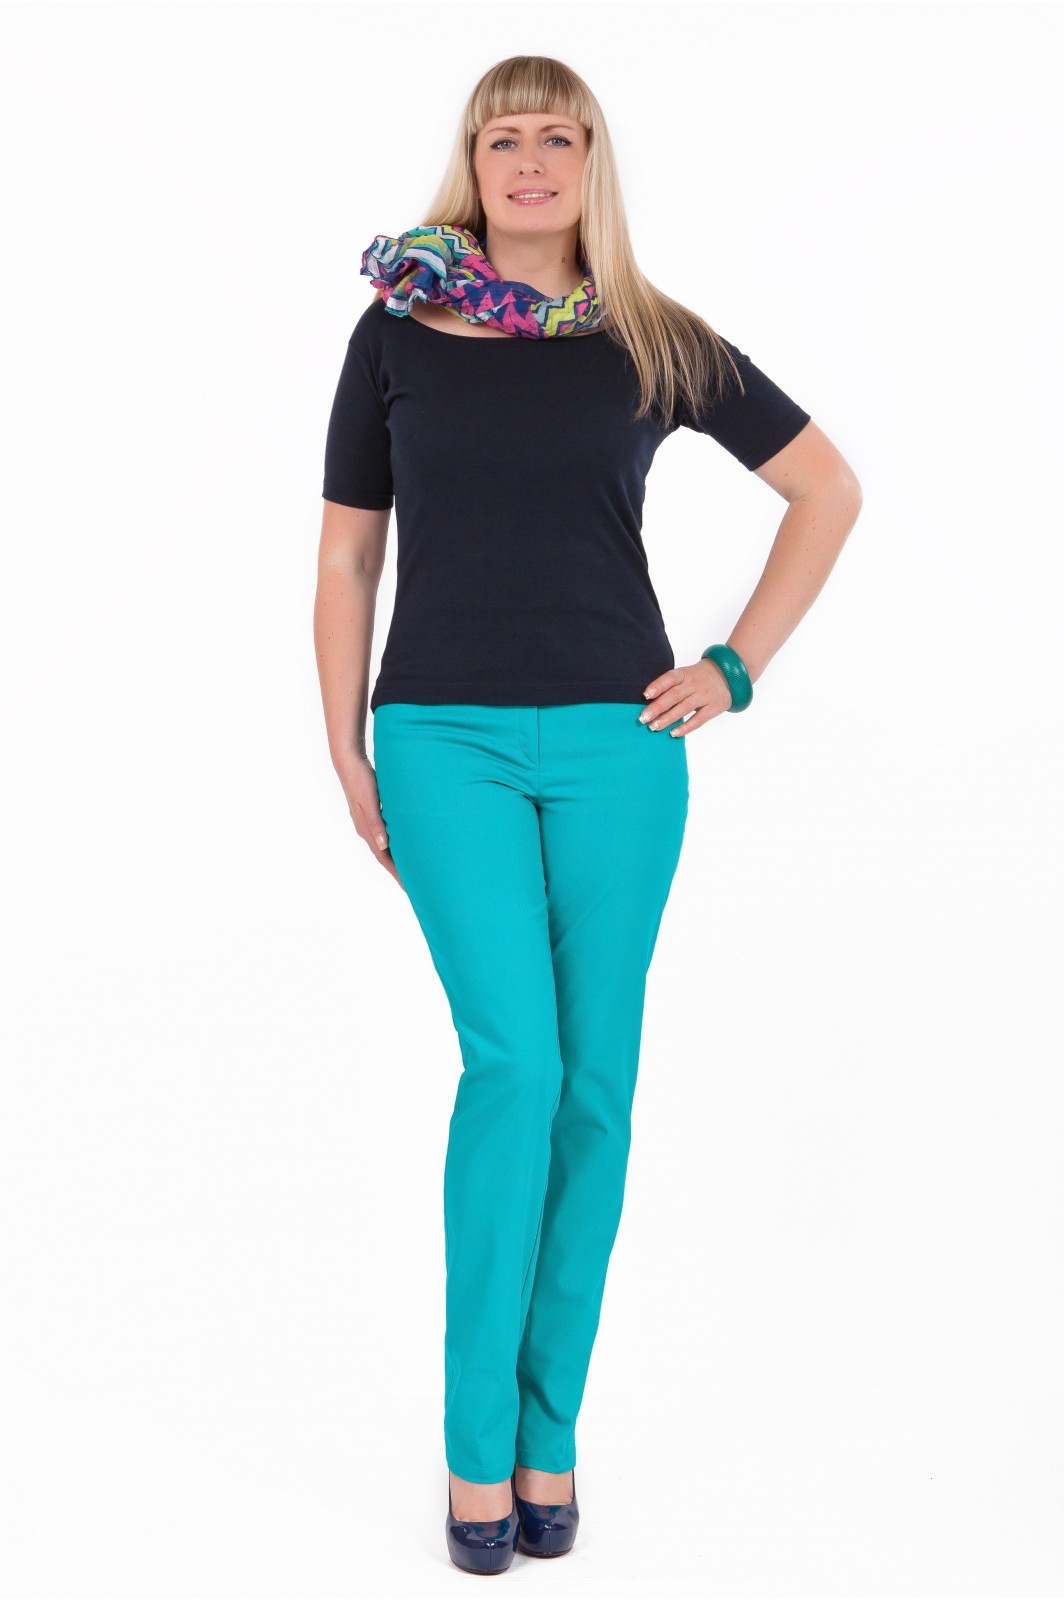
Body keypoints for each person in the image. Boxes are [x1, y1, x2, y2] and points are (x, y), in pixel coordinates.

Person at [314, 54, 861, 1575]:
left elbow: (827, 490)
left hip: (622, 751)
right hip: (442, 741)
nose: (532, 161)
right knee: (517, 1062)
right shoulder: (396, 329)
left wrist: (734, 667)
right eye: (506, 137)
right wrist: (346, 748)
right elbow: (349, 555)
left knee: (596, 1090)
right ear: (473, 160)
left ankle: (549, 1432)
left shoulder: (652, 338)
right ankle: (471, 1444)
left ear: (592, 163)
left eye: (560, 136)